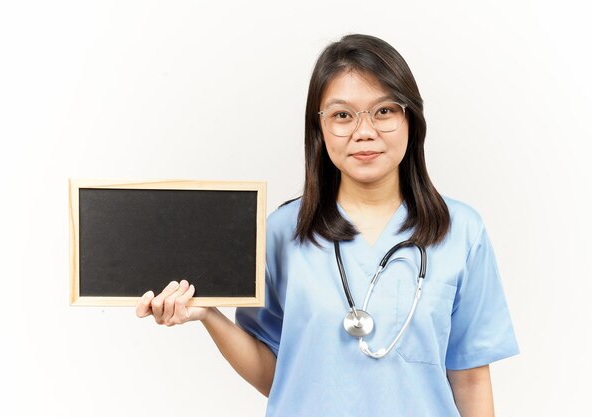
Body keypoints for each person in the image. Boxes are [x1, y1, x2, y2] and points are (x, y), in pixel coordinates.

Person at [135, 33, 520, 416]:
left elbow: (470, 379)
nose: (364, 131)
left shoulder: (461, 232)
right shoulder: (282, 232)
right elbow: (277, 375)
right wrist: (208, 314)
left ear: (411, 119)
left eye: (384, 110)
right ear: (318, 128)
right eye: (342, 115)